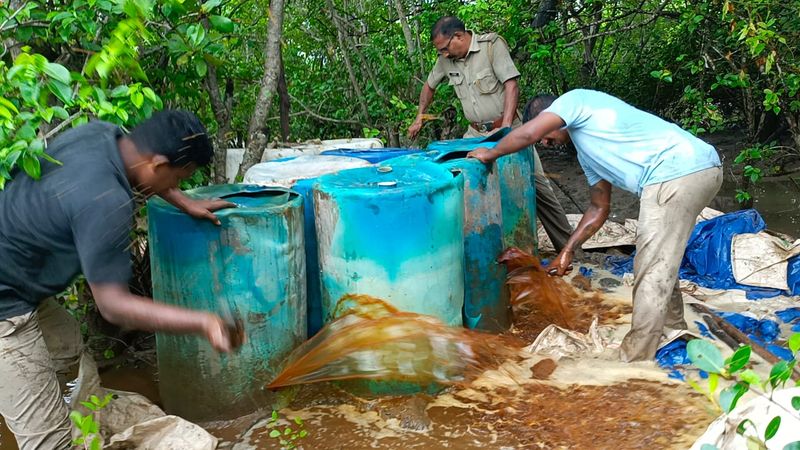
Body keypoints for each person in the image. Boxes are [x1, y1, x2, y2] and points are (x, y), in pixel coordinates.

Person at [0, 110, 242, 449]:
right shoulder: (107, 203)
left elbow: (141, 172)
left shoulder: (102, 133)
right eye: (176, 179)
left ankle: (25, 400)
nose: (174, 186)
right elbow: (113, 306)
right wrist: (203, 321)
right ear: (158, 164)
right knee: (50, 443)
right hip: (6, 304)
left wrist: (183, 200)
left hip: (19, 271)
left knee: (67, 350)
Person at [468, 89, 723, 362]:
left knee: (649, 267)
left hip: (675, 172)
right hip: (698, 168)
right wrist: (567, 250)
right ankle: (672, 330)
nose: (543, 142)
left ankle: (634, 358)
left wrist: (491, 153)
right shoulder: (588, 153)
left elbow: (528, 134)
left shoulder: (574, 100)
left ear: (551, 117)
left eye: (545, 134)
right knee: (660, 260)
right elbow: (598, 209)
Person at [407, 16, 572, 251]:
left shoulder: (491, 47)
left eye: (445, 48)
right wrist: (419, 116)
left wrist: (504, 126)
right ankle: (469, 249)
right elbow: (429, 85)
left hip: (508, 129)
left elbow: (511, 84)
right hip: (474, 132)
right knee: (457, 180)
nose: (443, 54)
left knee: (538, 187)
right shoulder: (446, 60)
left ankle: (570, 250)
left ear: (459, 37)